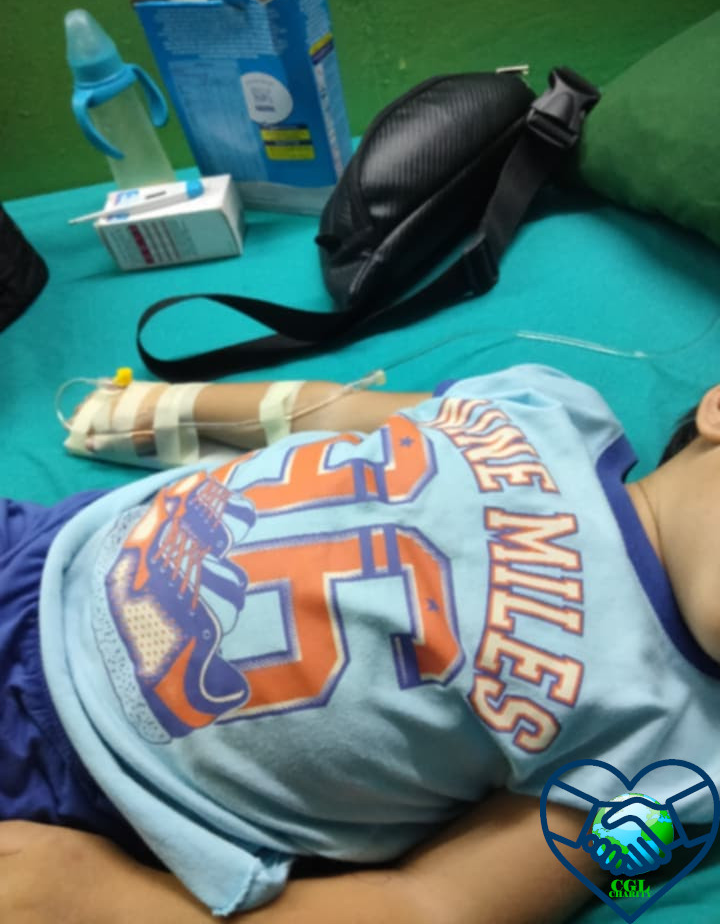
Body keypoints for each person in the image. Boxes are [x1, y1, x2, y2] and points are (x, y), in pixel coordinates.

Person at [2, 363, 718, 923]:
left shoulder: (681, 762)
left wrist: (109, 902)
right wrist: (165, 406)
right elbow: (323, 413)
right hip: (49, 551)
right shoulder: (550, 406)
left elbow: (439, 906)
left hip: (81, 772)